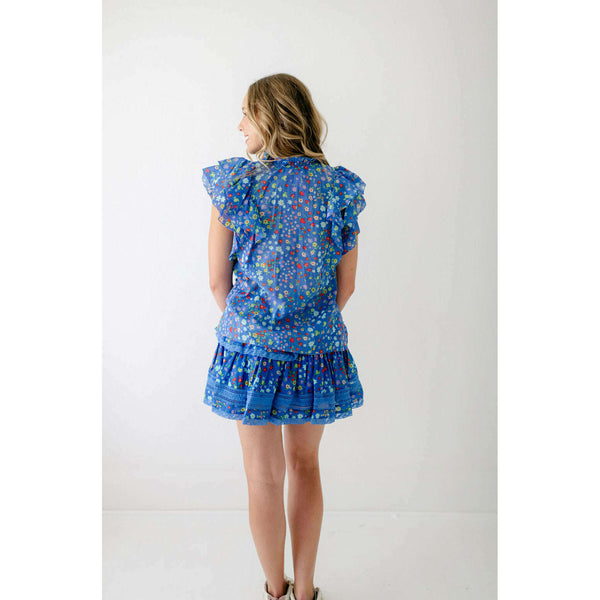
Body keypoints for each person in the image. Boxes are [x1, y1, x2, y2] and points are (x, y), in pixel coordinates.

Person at [202, 73, 366, 600]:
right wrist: (306, 327)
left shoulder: (237, 185)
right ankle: (306, 591)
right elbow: (346, 285)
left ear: (270, 118)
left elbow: (217, 281)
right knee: (306, 466)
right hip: (316, 353)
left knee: (263, 477)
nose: (239, 125)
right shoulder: (337, 189)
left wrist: (256, 330)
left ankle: (275, 589)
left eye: (246, 113)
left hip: (251, 354)